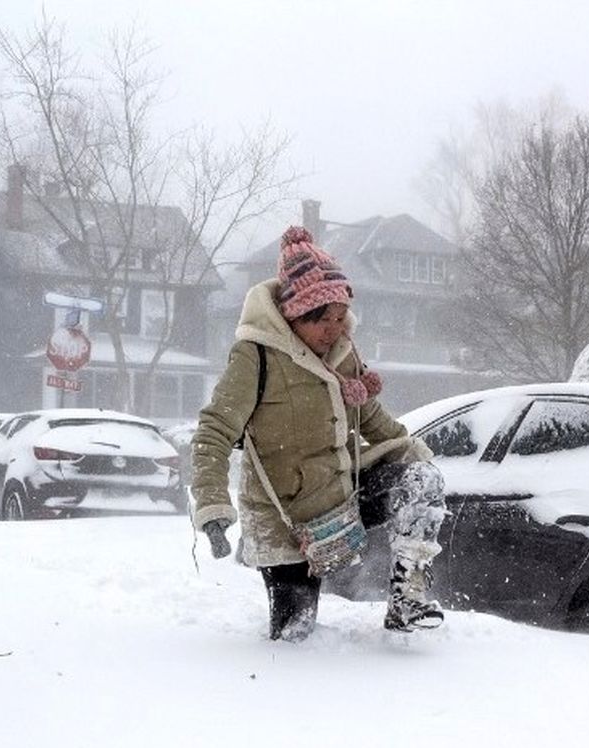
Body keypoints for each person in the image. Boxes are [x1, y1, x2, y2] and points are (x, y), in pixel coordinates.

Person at [190, 226, 447, 642]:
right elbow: (214, 431)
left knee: (421, 479)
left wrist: (421, 458)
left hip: (344, 497)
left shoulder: (343, 354)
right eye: (321, 319)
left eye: (339, 316)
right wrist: (213, 506)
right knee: (296, 636)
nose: (334, 328)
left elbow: (374, 420)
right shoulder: (255, 355)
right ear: (295, 315)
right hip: (286, 520)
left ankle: (409, 599)